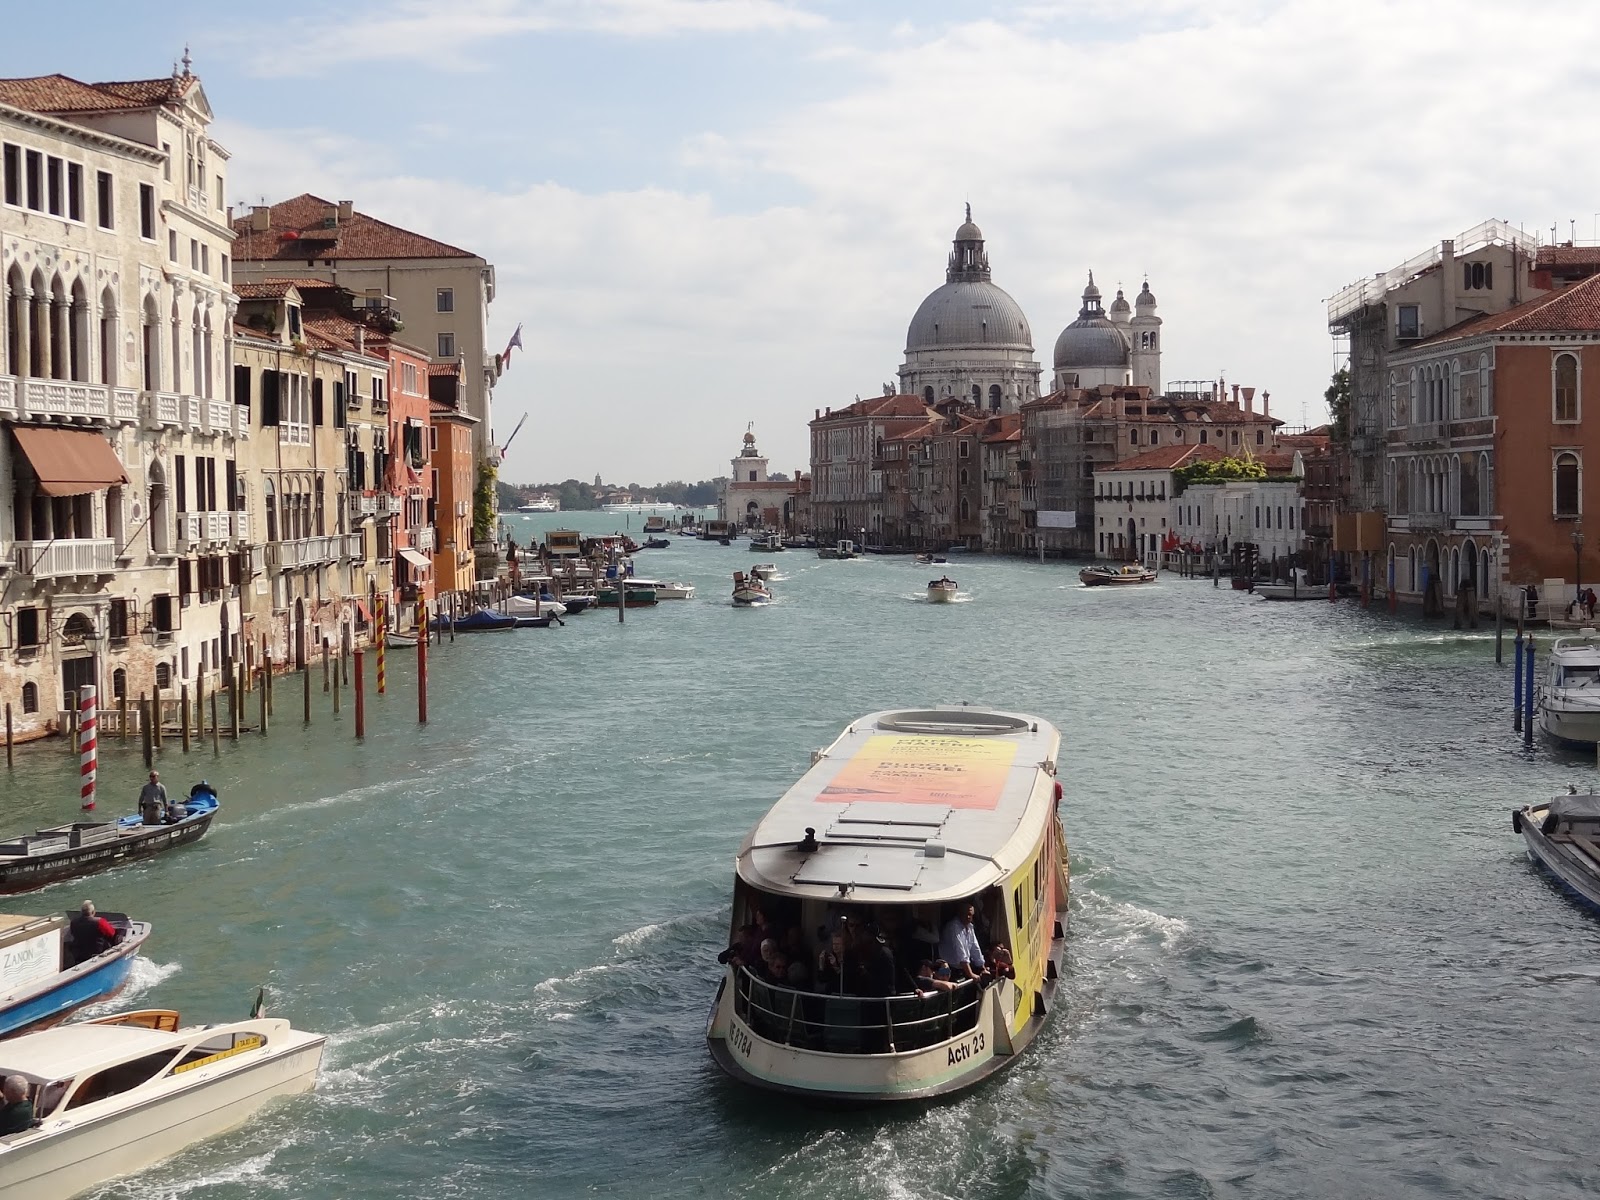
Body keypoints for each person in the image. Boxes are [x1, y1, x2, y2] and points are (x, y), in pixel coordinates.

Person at [939, 903, 987, 982]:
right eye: (965, 914)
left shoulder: (970, 927)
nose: (968, 917)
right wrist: (971, 974)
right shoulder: (953, 927)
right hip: (946, 967)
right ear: (959, 913)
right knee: (948, 989)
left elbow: (975, 949)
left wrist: (983, 968)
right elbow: (960, 953)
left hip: (962, 968)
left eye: (970, 915)